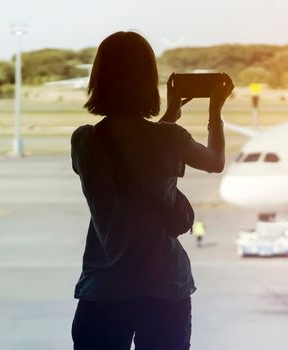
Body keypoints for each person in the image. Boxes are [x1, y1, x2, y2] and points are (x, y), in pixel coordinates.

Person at [70, 31, 234, 350]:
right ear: (148, 81)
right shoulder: (168, 138)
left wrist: (170, 116)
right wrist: (215, 111)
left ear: (99, 78)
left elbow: (131, 149)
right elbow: (214, 162)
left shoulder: (85, 140)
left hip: (105, 288)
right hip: (164, 286)